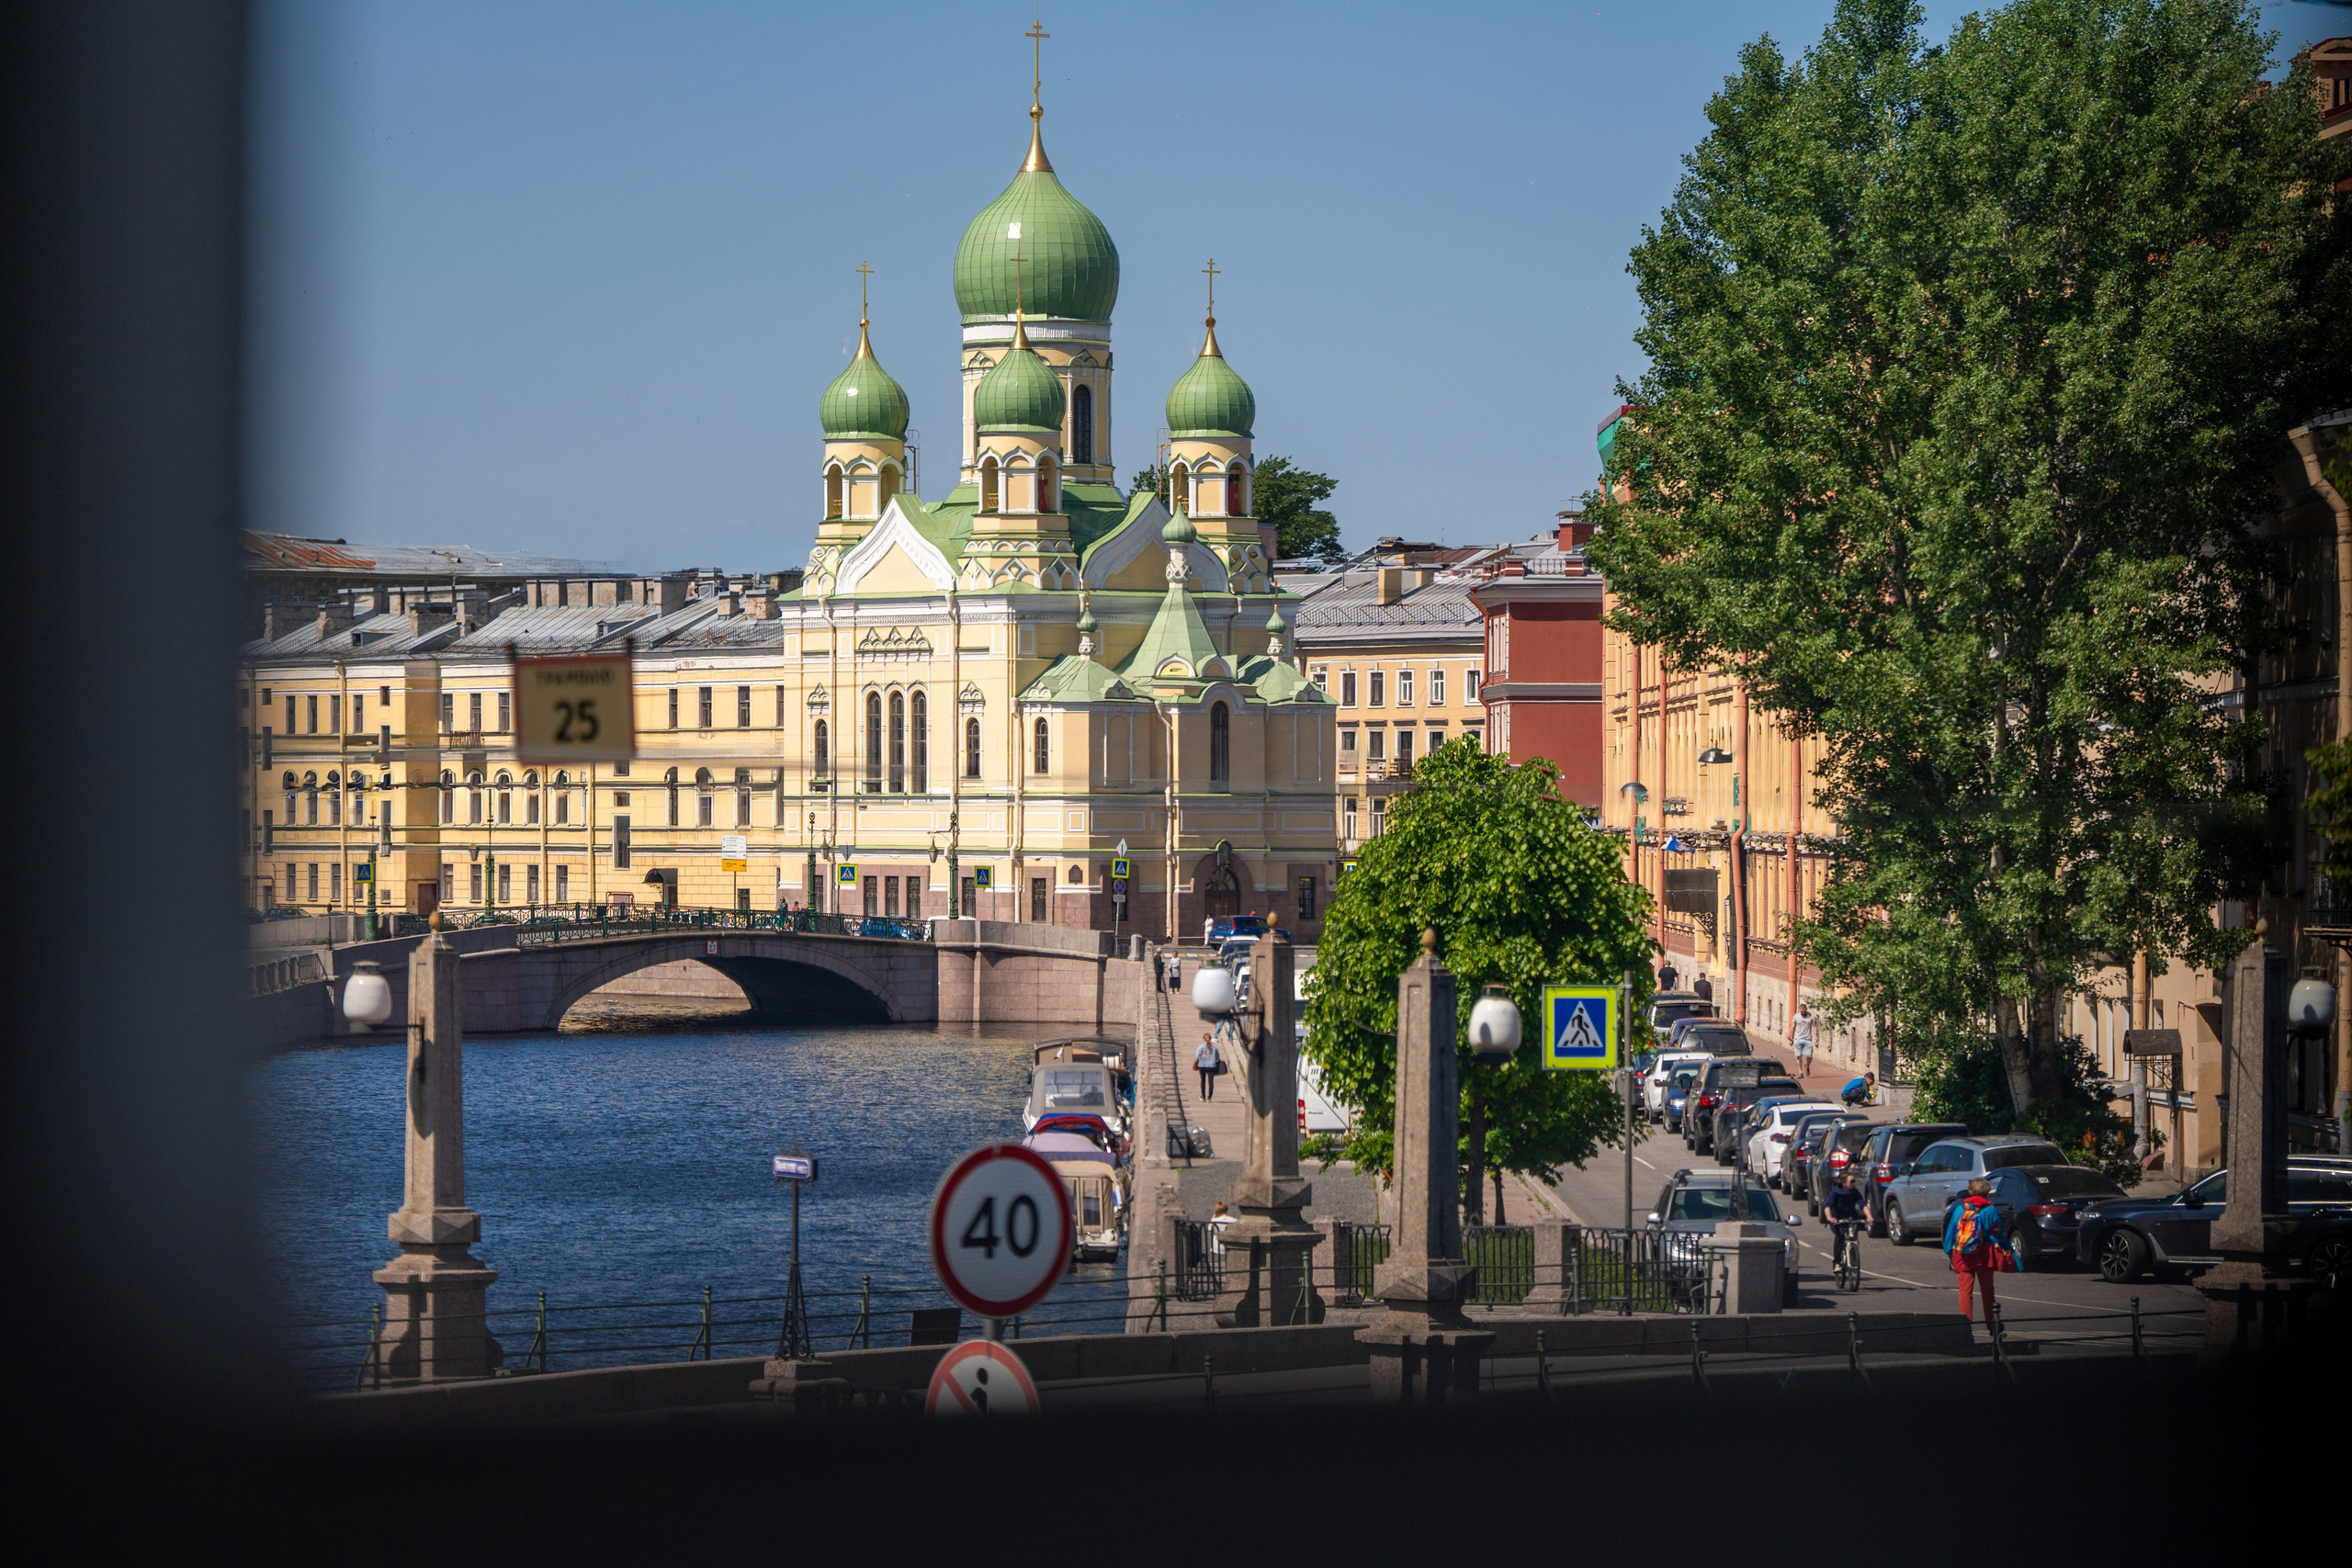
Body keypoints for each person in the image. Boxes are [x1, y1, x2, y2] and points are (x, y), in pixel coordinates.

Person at [1942, 1177, 2016, 1325]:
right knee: (1988, 1291)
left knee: (1965, 1292)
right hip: (1985, 1254)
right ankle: (1992, 1327)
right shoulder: (1990, 1209)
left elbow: (1950, 1234)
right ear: (1987, 1192)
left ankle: (1966, 1328)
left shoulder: (1960, 1209)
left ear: (1971, 1191)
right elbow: (1998, 1232)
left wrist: (1950, 1253)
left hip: (1962, 1254)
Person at [1826, 1170, 1869, 1275]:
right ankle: (1837, 1262)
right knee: (1840, 1238)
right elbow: (1828, 1206)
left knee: (1853, 1237)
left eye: (1854, 1181)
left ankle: (1853, 1254)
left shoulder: (1854, 1191)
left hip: (1851, 1218)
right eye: (1852, 1181)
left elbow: (1862, 1203)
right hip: (1837, 1219)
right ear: (1844, 1183)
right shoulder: (1835, 1192)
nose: (1854, 1183)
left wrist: (1869, 1216)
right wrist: (1830, 1218)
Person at [1791, 1002, 1817, 1075]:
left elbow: (1815, 1026)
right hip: (1797, 1038)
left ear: (1806, 1010)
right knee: (1798, 1056)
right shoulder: (1796, 1016)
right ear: (1800, 1010)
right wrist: (1791, 1038)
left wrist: (1816, 1036)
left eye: (1804, 1011)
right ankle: (1800, 1072)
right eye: (1802, 1012)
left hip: (1807, 1039)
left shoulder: (1811, 1016)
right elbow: (1793, 1027)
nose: (1803, 1013)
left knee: (1809, 1056)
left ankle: (1807, 1066)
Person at [1194, 1032, 1222, 1100]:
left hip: (1202, 1065)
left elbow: (1197, 1057)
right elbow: (1217, 1058)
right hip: (1212, 1066)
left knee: (1203, 1081)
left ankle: (1203, 1097)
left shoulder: (1200, 1047)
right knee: (1211, 1082)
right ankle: (1209, 1097)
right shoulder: (1214, 1048)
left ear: (1204, 1039)